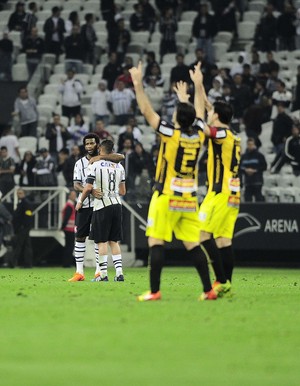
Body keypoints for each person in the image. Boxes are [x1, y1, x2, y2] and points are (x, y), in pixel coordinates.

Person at [129, 62, 216, 301]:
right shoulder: (199, 133)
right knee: (192, 244)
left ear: (177, 117)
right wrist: (197, 86)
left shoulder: (170, 133)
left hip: (166, 195)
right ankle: (208, 290)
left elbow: (147, 112)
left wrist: (138, 84)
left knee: (155, 241)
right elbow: (199, 113)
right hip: (189, 199)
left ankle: (155, 291)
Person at [190, 62, 241, 293]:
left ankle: (220, 280)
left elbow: (203, 124)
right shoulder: (232, 133)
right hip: (232, 193)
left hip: (219, 192)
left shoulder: (220, 133)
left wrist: (198, 88)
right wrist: (199, 86)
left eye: (213, 113)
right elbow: (211, 108)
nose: (210, 112)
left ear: (217, 116)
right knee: (222, 239)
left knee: (201, 234)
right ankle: (227, 283)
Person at [68, 134, 125, 282]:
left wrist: (98, 158)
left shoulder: (106, 160)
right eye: (86, 144)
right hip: (88, 205)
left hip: (99, 205)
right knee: (80, 237)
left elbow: (121, 156)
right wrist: (90, 191)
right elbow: (76, 184)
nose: (89, 146)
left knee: (99, 239)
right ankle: (79, 272)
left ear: (98, 145)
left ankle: (99, 272)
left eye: (92, 144)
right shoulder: (79, 163)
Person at [10, 188, 34, 268]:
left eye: (20, 193)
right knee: (27, 245)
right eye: (18, 193)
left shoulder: (25, 203)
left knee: (19, 245)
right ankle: (28, 263)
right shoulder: (22, 203)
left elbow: (28, 215)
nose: (19, 195)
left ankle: (12, 262)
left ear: (24, 194)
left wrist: (24, 225)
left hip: (23, 227)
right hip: (24, 227)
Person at [240, 138, 267, 202]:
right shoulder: (243, 157)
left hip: (257, 182)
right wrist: (246, 170)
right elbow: (240, 167)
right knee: (247, 200)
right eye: (249, 144)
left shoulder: (260, 156)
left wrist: (255, 170)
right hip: (247, 182)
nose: (250, 146)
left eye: (252, 144)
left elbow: (264, 167)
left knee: (259, 200)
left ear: (254, 145)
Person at [61, 190, 76, 267]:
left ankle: (67, 263)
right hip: (69, 229)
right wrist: (63, 227)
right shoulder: (69, 206)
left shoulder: (69, 205)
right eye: (73, 195)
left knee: (69, 246)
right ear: (69, 196)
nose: (74, 197)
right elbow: (66, 218)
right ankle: (67, 263)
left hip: (69, 228)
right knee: (70, 246)